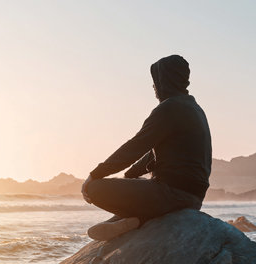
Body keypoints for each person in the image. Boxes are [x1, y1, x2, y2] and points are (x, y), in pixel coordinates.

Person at [82, 54, 211, 241]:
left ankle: (133, 219)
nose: (153, 87)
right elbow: (153, 152)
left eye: (155, 81)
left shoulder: (169, 108)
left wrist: (95, 174)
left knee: (95, 189)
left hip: (170, 194)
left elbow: (137, 145)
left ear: (164, 80)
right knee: (132, 188)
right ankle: (133, 220)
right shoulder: (194, 108)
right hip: (193, 198)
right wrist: (131, 175)